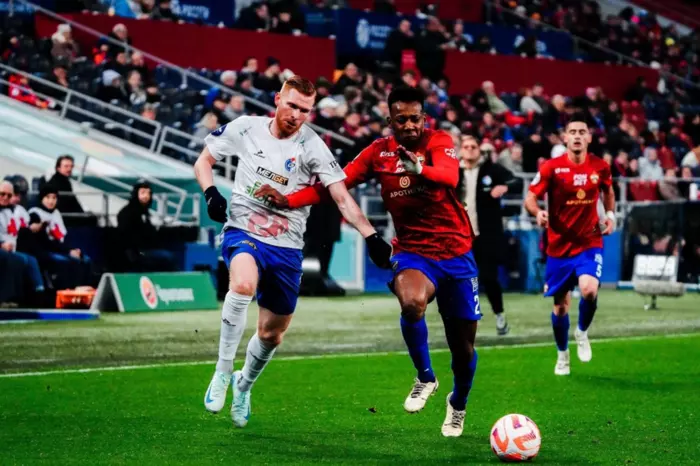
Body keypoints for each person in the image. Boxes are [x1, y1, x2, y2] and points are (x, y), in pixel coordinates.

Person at [256, 86, 480, 437]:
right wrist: (289, 200)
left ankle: (458, 403)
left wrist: (420, 167)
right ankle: (425, 377)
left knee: (463, 350)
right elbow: (335, 184)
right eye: (401, 119)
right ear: (390, 120)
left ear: (424, 119)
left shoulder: (439, 141)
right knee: (412, 303)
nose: (409, 125)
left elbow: (450, 176)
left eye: (415, 118)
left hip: (456, 253)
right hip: (414, 252)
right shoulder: (379, 152)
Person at [193, 75, 391, 428]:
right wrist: (211, 193)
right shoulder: (246, 127)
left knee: (272, 334)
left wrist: (371, 235)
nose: (297, 115)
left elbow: (340, 196)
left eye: (305, 110)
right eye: (292, 106)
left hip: (286, 246)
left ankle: (243, 385)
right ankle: (222, 371)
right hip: (244, 230)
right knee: (242, 285)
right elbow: (203, 161)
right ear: (277, 100)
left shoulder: (313, 146)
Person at [524, 117, 616, 376]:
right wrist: (538, 212)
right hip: (559, 247)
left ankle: (582, 332)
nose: (577, 136)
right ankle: (562, 354)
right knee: (561, 306)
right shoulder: (551, 167)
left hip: (589, 241)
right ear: (565, 138)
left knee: (589, 290)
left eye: (582, 131)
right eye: (572, 132)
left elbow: (608, 191)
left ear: (589, 137)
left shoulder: (600, 166)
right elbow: (530, 197)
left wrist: (610, 215)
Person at [457, 135, 516, 335]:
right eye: (466, 146)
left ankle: (499, 315)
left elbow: (515, 180)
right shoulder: (454, 171)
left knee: (489, 278)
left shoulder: (491, 169)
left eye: (473, 146)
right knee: (459, 280)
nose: (470, 149)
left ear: (479, 150)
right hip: (460, 236)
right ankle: (464, 320)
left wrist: (504, 187)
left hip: (486, 235)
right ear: (461, 150)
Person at [116, 181, 177, 272]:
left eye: (148, 193)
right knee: (167, 257)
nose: (146, 196)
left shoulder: (144, 212)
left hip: (145, 249)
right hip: (136, 251)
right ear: (136, 194)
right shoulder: (127, 213)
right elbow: (127, 236)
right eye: (143, 193)